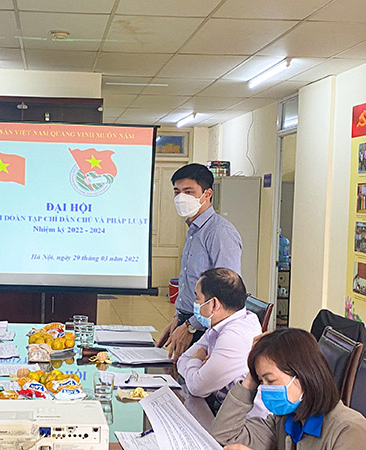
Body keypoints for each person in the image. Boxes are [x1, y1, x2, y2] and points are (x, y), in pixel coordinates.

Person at [211, 328, 366, 450]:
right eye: (261, 381)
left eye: (270, 381)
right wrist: (251, 379)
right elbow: (223, 436)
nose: (264, 389)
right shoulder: (286, 420)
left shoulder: (349, 430)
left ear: (303, 375)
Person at [156, 163, 242, 361]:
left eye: (188, 191)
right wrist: (179, 318)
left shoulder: (219, 232)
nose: (181, 198)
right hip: (188, 321)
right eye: (177, 192)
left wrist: (190, 326)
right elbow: (190, 282)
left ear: (207, 194)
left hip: (205, 329)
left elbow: (227, 290)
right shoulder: (194, 230)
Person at [177, 268, 262, 405]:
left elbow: (197, 388)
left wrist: (196, 359)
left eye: (198, 299)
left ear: (214, 304)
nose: (196, 305)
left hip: (241, 415)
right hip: (221, 405)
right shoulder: (221, 323)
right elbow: (182, 360)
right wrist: (197, 368)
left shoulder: (235, 336)